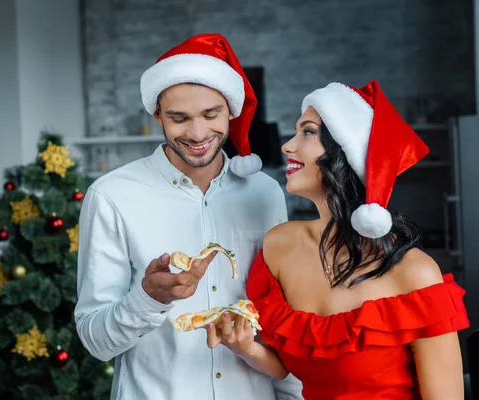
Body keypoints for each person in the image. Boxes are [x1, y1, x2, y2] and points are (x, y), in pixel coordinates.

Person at [206, 80, 470, 399]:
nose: (288, 146)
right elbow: (285, 365)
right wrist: (246, 347)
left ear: (345, 150)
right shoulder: (281, 247)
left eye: (307, 132)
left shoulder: (415, 272)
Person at [74, 33, 303, 400]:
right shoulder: (112, 196)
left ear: (231, 109)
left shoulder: (266, 193)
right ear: (157, 114)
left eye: (211, 115)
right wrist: (148, 298)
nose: (197, 134)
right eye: (179, 118)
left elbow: (283, 319)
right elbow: (96, 342)